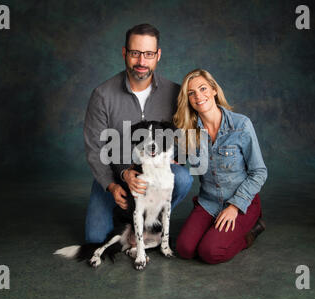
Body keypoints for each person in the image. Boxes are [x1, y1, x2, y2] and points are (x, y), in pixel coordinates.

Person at [83, 24, 193, 243]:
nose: (142, 62)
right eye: (135, 53)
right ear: (125, 53)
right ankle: (125, 219)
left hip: (153, 174)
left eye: (149, 54)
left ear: (158, 55)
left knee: (182, 177)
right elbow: (95, 149)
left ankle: (151, 220)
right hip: (114, 175)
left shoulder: (175, 93)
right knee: (95, 239)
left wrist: (175, 157)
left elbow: (185, 141)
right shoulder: (102, 95)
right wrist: (114, 183)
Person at [174, 69, 267, 264]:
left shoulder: (241, 125)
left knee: (210, 252)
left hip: (241, 203)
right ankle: (212, 229)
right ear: (188, 99)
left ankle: (252, 229)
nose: (198, 96)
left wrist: (234, 206)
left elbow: (259, 172)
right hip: (209, 202)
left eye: (203, 88)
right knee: (184, 249)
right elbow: (178, 160)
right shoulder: (189, 131)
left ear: (214, 90)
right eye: (191, 93)